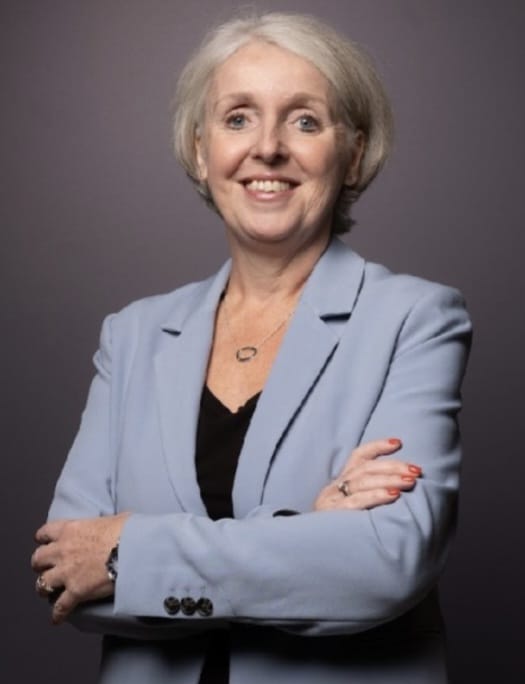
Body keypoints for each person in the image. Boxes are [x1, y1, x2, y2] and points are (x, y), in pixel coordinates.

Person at [31, 11, 471, 684]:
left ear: (353, 154)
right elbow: (66, 570)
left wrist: (128, 555)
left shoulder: (414, 319)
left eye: (304, 121)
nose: (267, 148)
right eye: (238, 118)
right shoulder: (133, 334)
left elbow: (386, 563)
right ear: (200, 150)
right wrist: (305, 528)